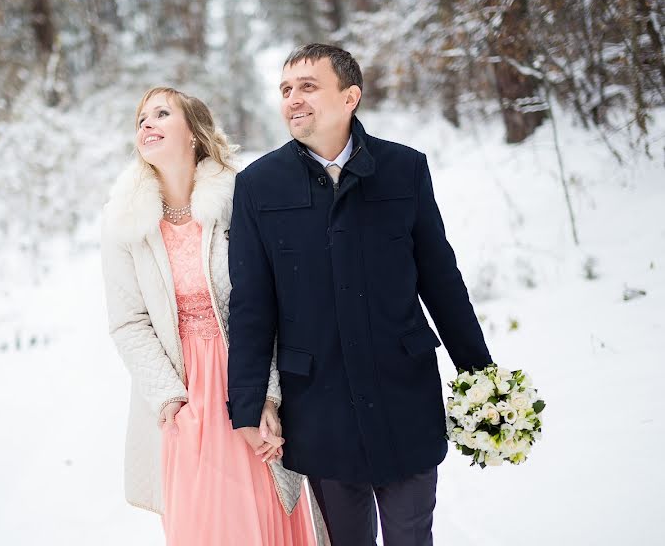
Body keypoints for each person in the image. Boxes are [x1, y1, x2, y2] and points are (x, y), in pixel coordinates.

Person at [226, 44, 494, 546]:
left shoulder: (404, 169)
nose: (293, 100)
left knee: (412, 537)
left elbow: (441, 279)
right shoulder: (258, 186)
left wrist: (482, 377)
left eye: (308, 86)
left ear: (350, 97)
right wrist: (249, 400)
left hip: (404, 391)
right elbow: (251, 305)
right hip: (318, 406)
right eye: (285, 90)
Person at [101, 86, 325, 545]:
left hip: (248, 379)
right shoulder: (124, 220)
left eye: (162, 113)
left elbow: (272, 307)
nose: (147, 123)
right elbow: (128, 322)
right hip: (182, 396)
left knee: (264, 512)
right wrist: (170, 400)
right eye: (141, 118)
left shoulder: (238, 203)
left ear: (195, 134)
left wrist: (268, 396)